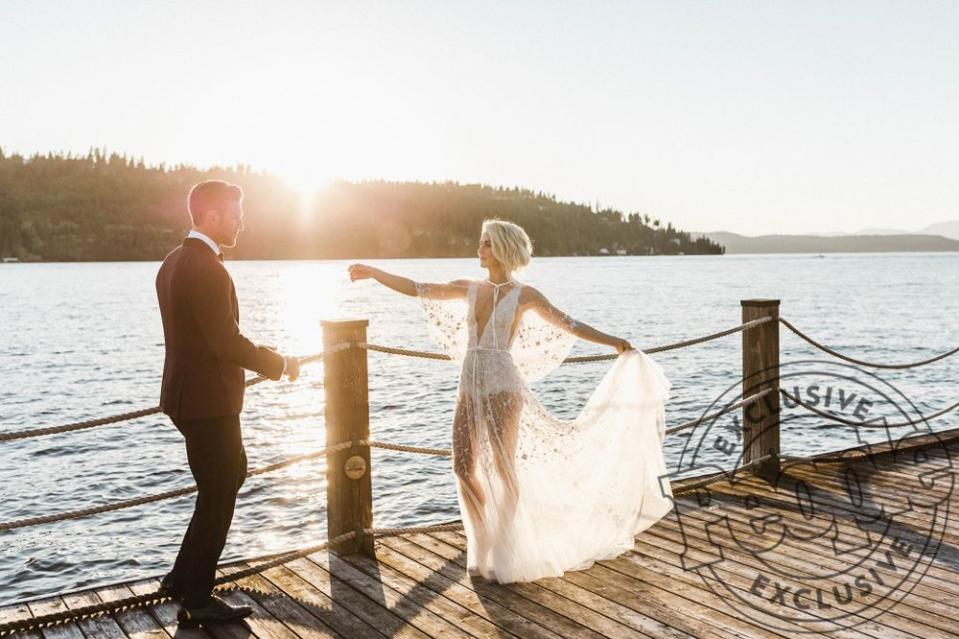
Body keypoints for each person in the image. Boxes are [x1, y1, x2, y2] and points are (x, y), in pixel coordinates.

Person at [348, 219, 673, 583]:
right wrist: (375, 272)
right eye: (480, 242)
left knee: (504, 469)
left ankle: (503, 545)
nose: (479, 249)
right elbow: (417, 288)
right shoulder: (468, 288)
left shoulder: (525, 295)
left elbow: (571, 324)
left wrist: (614, 341)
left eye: (485, 244)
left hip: (504, 386)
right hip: (469, 385)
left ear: (501, 249)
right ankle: (483, 538)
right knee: (462, 463)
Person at [155, 180, 300, 627]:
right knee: (219, 494)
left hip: (185, 397)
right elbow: (225, 341)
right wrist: (278, 362)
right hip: (209, 401)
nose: (242, 221)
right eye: (236, 213)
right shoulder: (207, 268)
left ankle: (181, 578)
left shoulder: (172, 262)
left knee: (228, 476)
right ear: (212, 216)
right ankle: (197, 599)